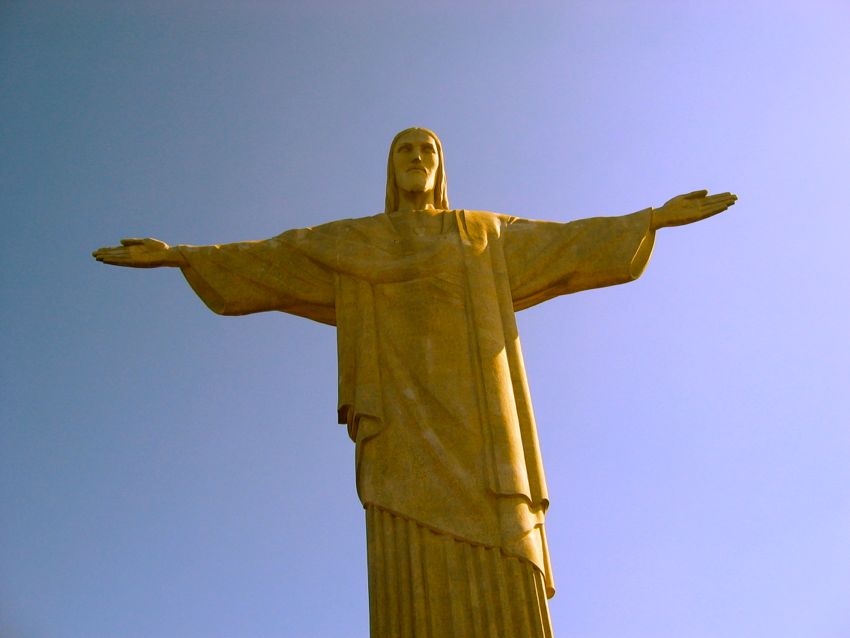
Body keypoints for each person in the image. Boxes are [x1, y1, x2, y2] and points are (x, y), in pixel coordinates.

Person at [93, 127, 737, 638]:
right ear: (390, 167)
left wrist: (649, 219)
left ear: (440, 165)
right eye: (404, 148)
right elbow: (279, 255)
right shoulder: (358, 240)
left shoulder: (482, 233)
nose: (415, 157)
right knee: (407, 554)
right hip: (400, 429)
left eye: (427, 148)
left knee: (504, 542)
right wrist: (184, 254)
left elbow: (566, 243)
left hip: (485, 425)